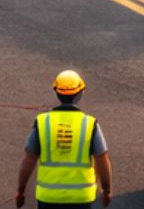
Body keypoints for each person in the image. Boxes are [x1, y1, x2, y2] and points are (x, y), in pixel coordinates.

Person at [15, 70, 110, 207]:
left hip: (48, 197)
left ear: (56, 91)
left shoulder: (43, 122)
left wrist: (21, 190)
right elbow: (102, 158)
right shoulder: (89, 124)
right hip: (81, 198)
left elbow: (29, 159)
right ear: (80, 93)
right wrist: (106, 190)